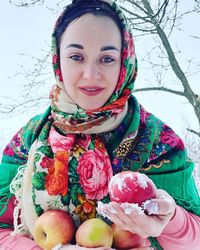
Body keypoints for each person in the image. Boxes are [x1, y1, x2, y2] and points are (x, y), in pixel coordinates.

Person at [0, 0, 200, 249]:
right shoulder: (28, 140)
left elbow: (195, 238)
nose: (91, 74)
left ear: (124, 62)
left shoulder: (161, 143)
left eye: (106, 58)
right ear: (58, 60)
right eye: (76, 57)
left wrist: (172, 221)